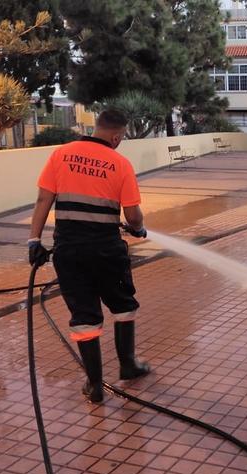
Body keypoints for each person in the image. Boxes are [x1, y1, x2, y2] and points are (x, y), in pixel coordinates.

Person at [27, 109, 150, 404]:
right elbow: (132, 215)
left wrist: (34, 240)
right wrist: (138, 228)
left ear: (96, 128)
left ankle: (94, 385)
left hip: (69, 251)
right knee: (123, 306)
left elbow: (44, 198)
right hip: (107, 250)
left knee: (84, 316)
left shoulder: (62, 154)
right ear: (117, 136)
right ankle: (128, 365)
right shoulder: (120, 163)